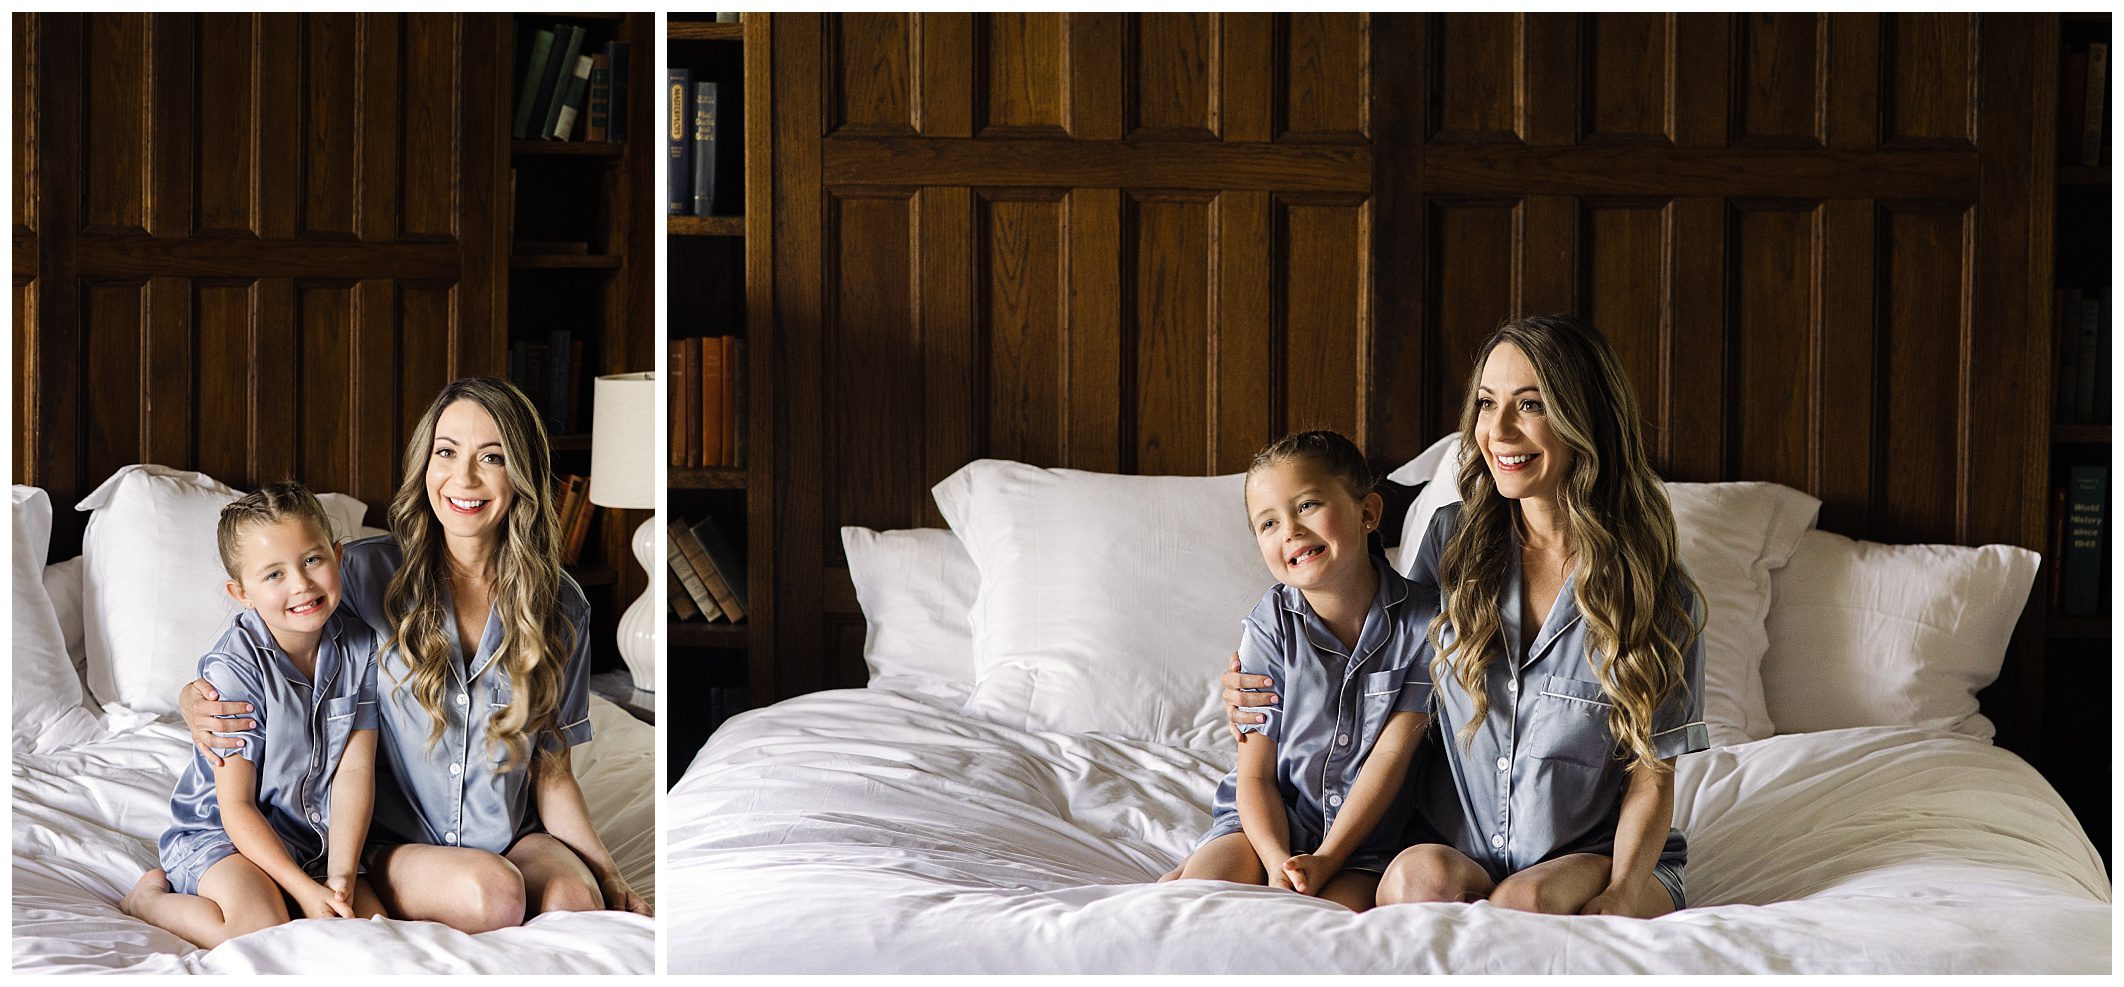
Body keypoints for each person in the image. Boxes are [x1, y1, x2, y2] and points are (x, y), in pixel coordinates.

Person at [1222, 314, 1707, 917]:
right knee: (1415, 884)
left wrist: (1626, 890)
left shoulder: (1656, 591)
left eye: (1530, 405)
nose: (1497, 430)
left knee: (1524, 902)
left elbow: (1651, 774)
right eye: (1486, 403)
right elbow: (1376, 654)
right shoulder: (1453, 544)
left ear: (1587, 418)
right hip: (1461, 845)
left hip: (1599, 852)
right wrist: (1257, 687)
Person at [175, 377, 650, 932]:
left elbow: (552, 768)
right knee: (495, 898)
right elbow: (269, 633)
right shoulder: (360, 575)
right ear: (426, 465)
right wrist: (191, 697)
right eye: (446, 453)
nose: (464, 478)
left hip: (510, 834)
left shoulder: (562, 604)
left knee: (578, 905)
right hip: (392, 841)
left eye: (491, 457)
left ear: (520, 472)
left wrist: (610, 875)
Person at [1166, 430, 1440, 912]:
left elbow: (1392, 757)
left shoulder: (1426, 623)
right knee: (1203, 895)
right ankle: (1186, 873)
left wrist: (1327, 859)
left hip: (1364, 847)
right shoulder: (1269, 626)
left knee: (1324, 919)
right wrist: (1276, 863)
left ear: (1368, 513)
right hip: (1265, 827)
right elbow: (1255, 777)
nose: (1289, 530)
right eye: (1267, 523)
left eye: (1308, 505)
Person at [122, 483, 386, 946]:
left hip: (313, 841)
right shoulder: (234, 669)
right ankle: (149, 902)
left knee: (370, 932)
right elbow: (235, 807)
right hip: (224, 836)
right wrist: (303, 890)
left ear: (338, 555)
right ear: (240, 592)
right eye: (273, 575)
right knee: (262, 929)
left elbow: (355, 769)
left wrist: (340, 875)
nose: (301, 584)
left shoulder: (360, 644)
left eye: (312, 560)